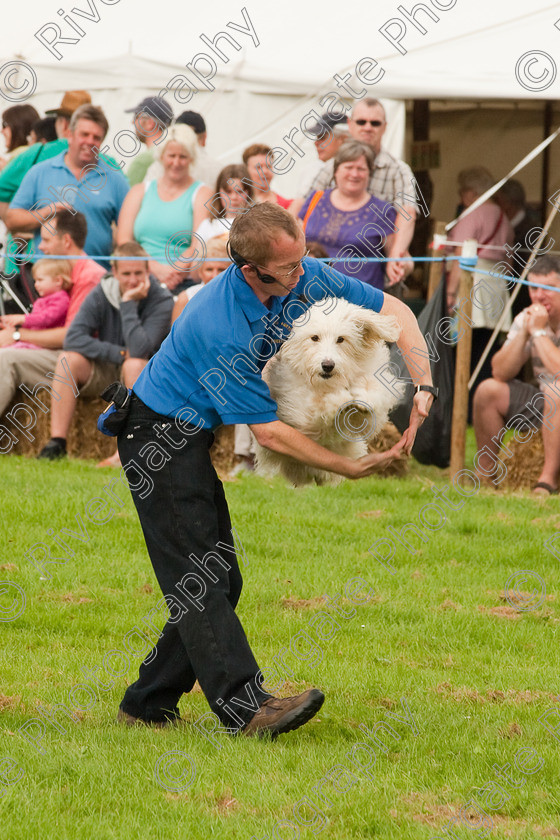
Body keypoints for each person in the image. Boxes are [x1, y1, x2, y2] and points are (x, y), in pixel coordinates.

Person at [114, 202, 435, 737]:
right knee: (201, 581)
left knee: (222, 578)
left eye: (302, 258)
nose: (302, 272)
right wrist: (346, 467)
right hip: (158, 437)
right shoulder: (222, 325)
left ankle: (147, 703)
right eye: (289, 268)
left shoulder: (301, 271)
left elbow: (394, 312)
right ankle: (247, 709)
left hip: (189, 433)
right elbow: (268, 433)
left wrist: (423, 384)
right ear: (251, 271)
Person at [38, 241, 173, 460]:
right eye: (126, 273)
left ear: (148, 271)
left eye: (138, 273)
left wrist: (128, 303)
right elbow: (73, 338)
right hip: (110, 367)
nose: (132, 280)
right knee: (67, 359)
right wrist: (118, 353)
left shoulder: (161, 299)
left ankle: (125, 452)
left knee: (134, 363)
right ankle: (57, 444)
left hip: (144, 376)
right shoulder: (102, 292)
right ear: (115, 273)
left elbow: (139, 350)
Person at [292, 98, 418, 287]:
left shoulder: (399, 170)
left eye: (374, 123)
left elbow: (407, 214)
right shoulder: (329, 168)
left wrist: (395, 256)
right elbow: (303, 204)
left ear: (384, 127)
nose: (368, 127)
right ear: (350, 124)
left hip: (372, 267)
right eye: (361, 122)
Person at [0, 209, 105, 419]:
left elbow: (71, 337)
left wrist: (17, 335)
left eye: (46, 240)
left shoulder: (90, 277)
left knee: (5, 359)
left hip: (82, 361)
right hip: (59, 353)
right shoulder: (61, 274)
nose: (39, 246)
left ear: (66, 241)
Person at [473, 256, 560, 497]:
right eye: (533, 288)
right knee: (488, 390)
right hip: (546, 404)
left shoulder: (539, 324)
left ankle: (548, 479)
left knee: (556, 389)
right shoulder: (527, 319)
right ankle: (485, 475)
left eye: (548, 289)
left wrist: (539, 332)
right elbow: (500, 371)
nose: (539, 296)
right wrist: (525, 333)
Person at [6, 104, 129, 271]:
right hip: (47, 280)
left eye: (96, 137)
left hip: (94, 280)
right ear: (69, 135)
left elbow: (129, 231)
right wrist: (46, 212)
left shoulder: (114, 179)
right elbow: (12, 220)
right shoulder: (40, 172)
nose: (90, 142)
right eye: (84, 134)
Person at [117, 124, 212, 291]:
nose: (176, 162)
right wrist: (154, 268)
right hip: (139, 277)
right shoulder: (139, 191)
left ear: (191, 159)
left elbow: (198, 244)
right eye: (171, 156)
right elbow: (124, 240)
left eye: (183, 156)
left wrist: (172, 273)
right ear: (161, 157)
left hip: (182, 281)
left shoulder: (202, 194)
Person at [295, 140, 398, 291]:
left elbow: (397, 255)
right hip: (309, 294)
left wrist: (401, 266)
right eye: (348, 167)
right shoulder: (315, 199)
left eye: (361, 169)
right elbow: (295, 243)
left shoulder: (382, 211)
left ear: (370, 173)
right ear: (336, 170)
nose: (354, 174)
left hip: (360, 301)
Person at [446, 166, 515, 392]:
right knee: (487, 349)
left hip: (473, 284)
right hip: (497, 286)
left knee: (464, 349)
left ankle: (464, 407)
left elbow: (460, 257)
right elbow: (509, 259)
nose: (461, 197)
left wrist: (450, 292)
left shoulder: (472, 214)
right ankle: (480, 398)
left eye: (462, 191)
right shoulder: (503, 216)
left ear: (472, 193)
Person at [0, 258, 71, 349]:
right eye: (35, 281)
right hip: (34, 339)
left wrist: (22, 318)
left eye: (40, 280)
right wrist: (12, 324)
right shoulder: (42, 300)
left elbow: (46, 318)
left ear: (58, 281)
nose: (36, 285)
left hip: (45, 342)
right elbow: (34, 322)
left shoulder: (62, 299)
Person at [495, 179, 541, 316]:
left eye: (497, 200)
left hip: (520, 299)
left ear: (507, 203)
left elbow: (532, 268)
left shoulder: (532, 230)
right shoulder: (505, 226)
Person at [171, 237, 230, 321]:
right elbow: (175, 333)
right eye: (209, 269)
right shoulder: (186, 298)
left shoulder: (238, 297)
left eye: (221, 270)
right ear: (200, 272)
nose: (214, 275)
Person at [196, 164, 254, 243]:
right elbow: (198, 253)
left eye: (239, 192)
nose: (233, 197)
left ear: (248, 193)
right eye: (228, 192)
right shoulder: (208, 225)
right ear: (219, 192)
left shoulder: (255, 226)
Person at [125, 96, 174, 186]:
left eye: (136, 116)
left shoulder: (144, 160)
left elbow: (126, 196)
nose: (132, 122)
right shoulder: (177, 154)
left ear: (150, 123)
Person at [298, 112, 349, 197]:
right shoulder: (310, 171)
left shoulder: (357, 173)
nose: (316, 143)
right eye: (317, 137)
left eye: (322, 137)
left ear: (343, 139)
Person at [242, 143, 291, 208]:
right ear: (246, 170)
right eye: (258, 167)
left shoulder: (287, 206)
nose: (265, 171)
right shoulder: (237, 203)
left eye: (268, 166)